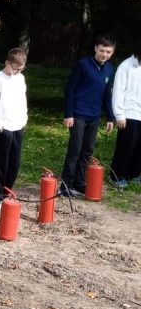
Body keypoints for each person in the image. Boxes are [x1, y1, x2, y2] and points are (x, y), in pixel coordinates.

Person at [59, 34, 116, 197]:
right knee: (75, 149)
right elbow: (70, 89)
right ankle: (65, 185)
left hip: (94, 116)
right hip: (78, 114)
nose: (104, 55)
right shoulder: (82, 65)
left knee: (87, 150)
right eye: (102, 50)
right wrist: (68, 114)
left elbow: (106, 93)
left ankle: (79, 183)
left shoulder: (109, 69)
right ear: (96, 48)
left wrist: (110, 116)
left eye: (108, 52)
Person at [0, 48, 28, 214]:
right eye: (14, 68)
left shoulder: (20, 79)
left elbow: (22, 101)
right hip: (1, 128)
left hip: (17, 125)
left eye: (20, 69)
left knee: (14, 163)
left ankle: (6, 193)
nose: (16, 72)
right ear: (7, 63)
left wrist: (23, 120)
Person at [109, 45, 141, 187]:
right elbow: (118, 91)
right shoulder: (126, 66)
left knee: (138, 147)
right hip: (129, 113)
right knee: (125, 146)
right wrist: (119, 114)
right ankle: (116, 175)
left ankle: (133, 173)